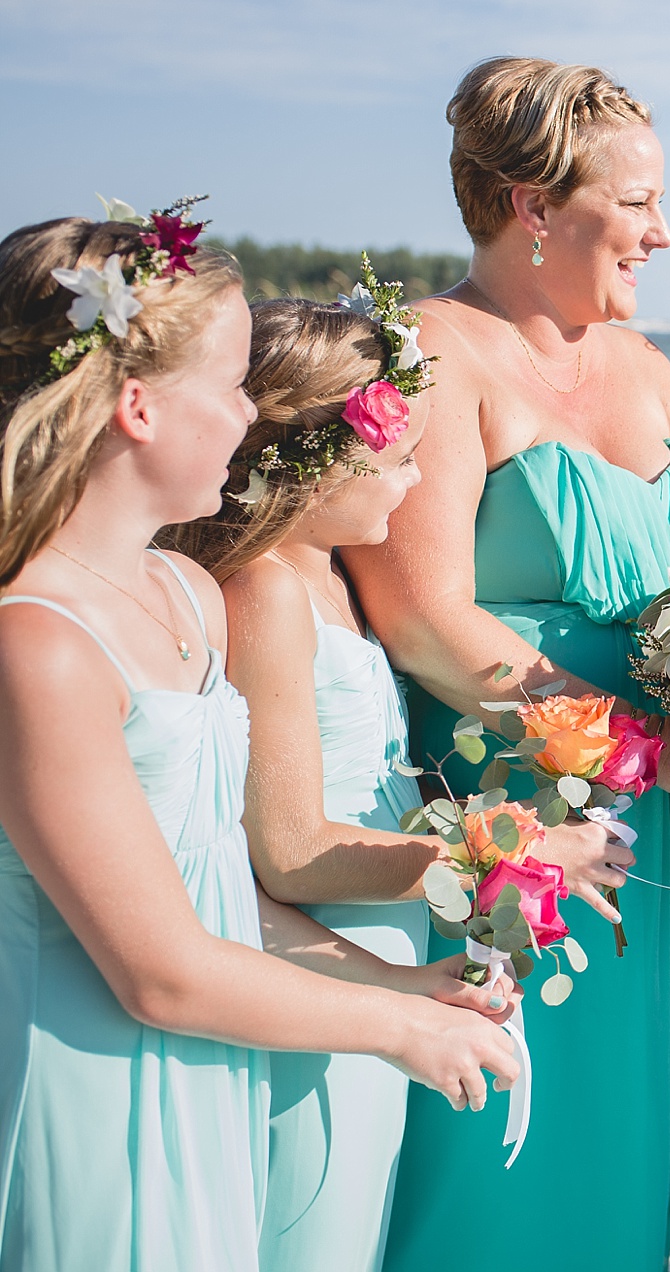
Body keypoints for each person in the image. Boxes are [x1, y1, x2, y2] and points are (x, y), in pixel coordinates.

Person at [345, 59, 670, 1266]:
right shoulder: (435, 355)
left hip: (668, 822)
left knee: (632, 1127)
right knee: (502, 1150)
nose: (666, 231)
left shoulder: (651, 370)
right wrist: (653, 749)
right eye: (637, 201)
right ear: (530, 205)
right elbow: (426, 622)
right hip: (512, 815)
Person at [0, 209, 517, 1271]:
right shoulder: (39, 648)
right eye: (234, 384)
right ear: (137, 407)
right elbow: (161, 971)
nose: (256, 415)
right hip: (90, 1089)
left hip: (218, 1079)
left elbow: (225, 896)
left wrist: (404, 986)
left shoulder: (188, 594)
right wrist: (401, 1032)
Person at [165, 289, 444, 1272]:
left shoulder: (326, 570)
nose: (413, 483)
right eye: (399, 457)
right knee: (307, 1227)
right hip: (326, 950)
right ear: (319, 455)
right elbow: (288, 850)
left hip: (379, 938)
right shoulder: (271, 591)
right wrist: (486, 865)